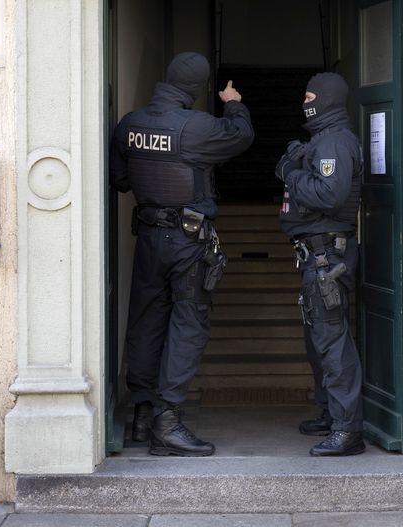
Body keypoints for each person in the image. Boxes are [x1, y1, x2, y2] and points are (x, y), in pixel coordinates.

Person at [110, 52, 254, 456]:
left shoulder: (130, 125)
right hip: (187, 242)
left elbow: (120, 180)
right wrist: (234, 103)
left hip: (149, 239)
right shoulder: (198, 127)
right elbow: (241, 137)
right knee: (188, 323)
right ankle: (167, 421)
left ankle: (141, 413)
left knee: (146, 319)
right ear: (198, 88)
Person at [275, 72, 364, 456]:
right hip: (316, 255)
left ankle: (348, 431)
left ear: (326, 100)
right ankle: (331, 413)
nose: (304, 101)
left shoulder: (334, 142)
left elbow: (329, 195)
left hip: (328, 255)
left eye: (310, 95)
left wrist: (292, 174)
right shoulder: (322, 141)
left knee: (332, 342)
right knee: (319, 342)